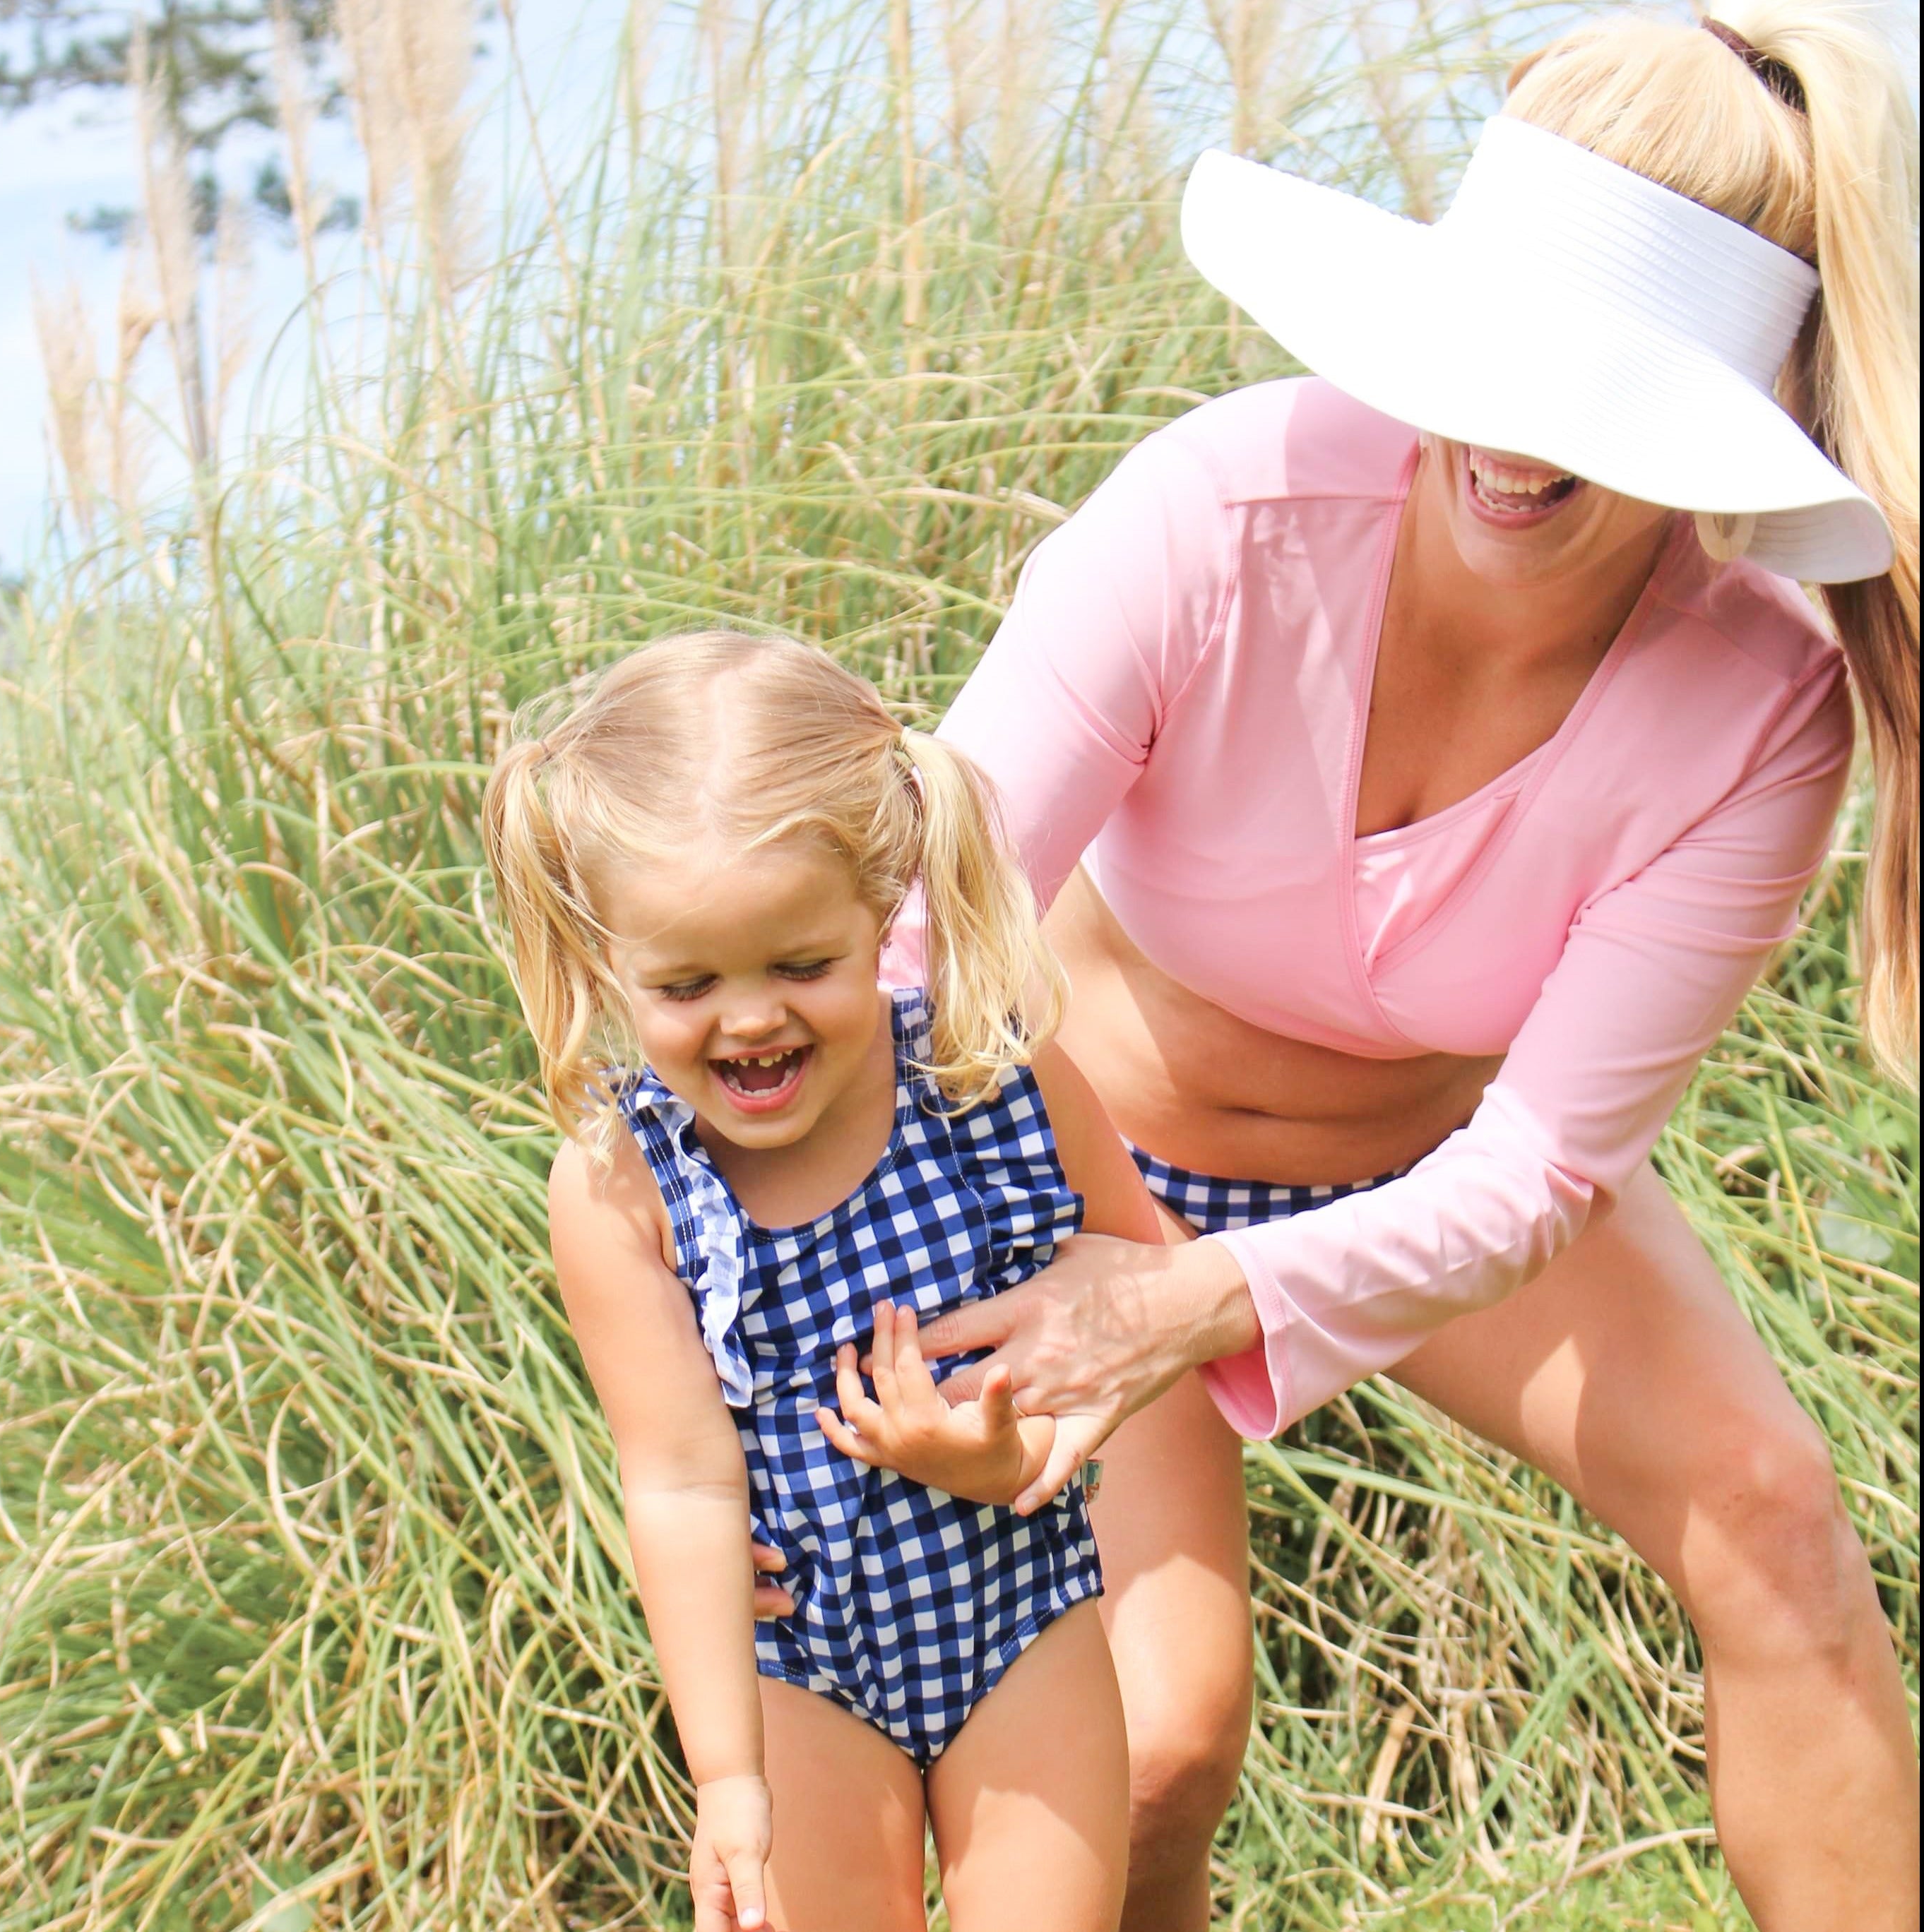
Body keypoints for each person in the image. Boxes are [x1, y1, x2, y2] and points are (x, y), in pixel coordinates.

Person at [880, 6, 1920, 1928]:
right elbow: (917, 946)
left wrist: (1219, 1296)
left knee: (1775, 1523)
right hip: (1077, 1176)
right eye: (1488, 361)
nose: (1512, 445)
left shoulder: (1762, 706)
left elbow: (1535, 1177)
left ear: (1719, 433)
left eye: (1602, 407)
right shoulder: (1219, 512)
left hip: (1433, 1193)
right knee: (1165, 1743)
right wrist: (926, 1290)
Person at [481, 632, 1161, 1932]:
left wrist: (1007, 1452)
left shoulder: (985, 1078)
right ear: (609, 961)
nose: (749, 1021)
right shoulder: (625, 1190)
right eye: (687, 985)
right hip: (792, 1667)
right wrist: (725, 1776)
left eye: (803, 966)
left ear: (880, 909)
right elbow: (678, 1476)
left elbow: (1136, 1273)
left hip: (1019, 1616)